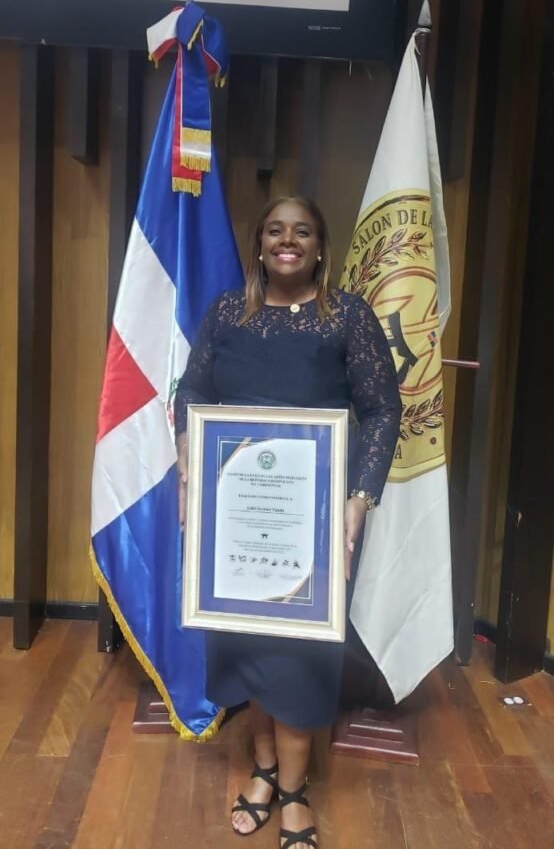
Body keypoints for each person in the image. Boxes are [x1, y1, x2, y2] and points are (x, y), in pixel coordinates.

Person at [174, 196, 401, 849]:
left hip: (317, 519)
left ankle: (296, 792)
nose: (287, 240)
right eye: (275, 230)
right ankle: (265, 770)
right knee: (249, 646)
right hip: (237, 517)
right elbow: (193, 392)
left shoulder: (346, 316)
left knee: (299, 655)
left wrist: (360, 498)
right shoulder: (227, 312)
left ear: (320, 246)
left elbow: (382, 409)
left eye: (302, 231)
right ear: (260, 243)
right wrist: (189, 459)